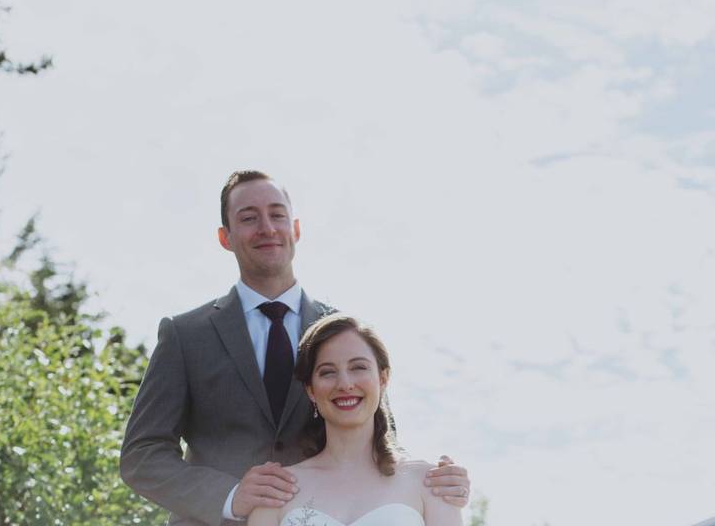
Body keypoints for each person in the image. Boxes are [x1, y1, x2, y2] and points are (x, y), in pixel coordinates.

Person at [120, 171, 470, 525]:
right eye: (248, 218)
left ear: (296, 229)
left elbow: (379, 432)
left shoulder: (345, 333)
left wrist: (435, 484)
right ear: (225, 237)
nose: (267, 228)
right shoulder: (185, 335)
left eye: (277, 214)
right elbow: (141, 455)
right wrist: (230, 496)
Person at [248, 315, 463, 526]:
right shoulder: (278, 492)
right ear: (311, 390)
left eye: (358, 367)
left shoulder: (430, 483)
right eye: (328, 372)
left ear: (383, 378)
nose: (345, 383)